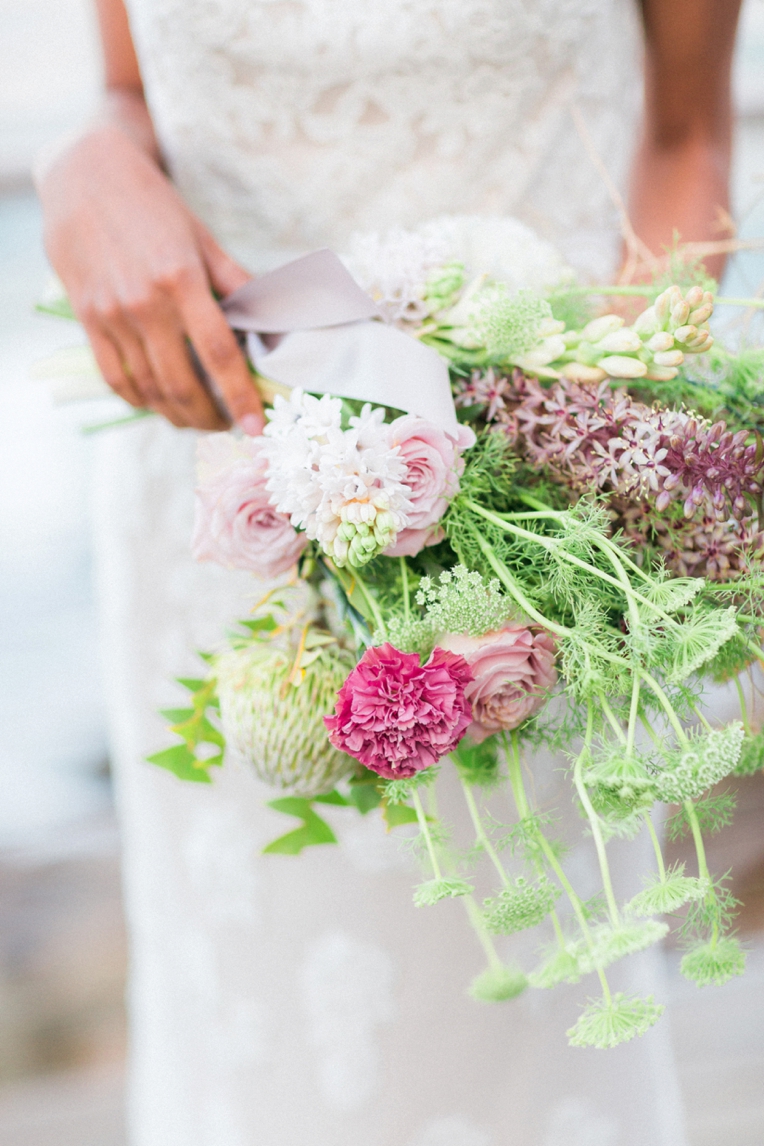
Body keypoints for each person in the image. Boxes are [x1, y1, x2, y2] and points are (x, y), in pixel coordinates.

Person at [36, 2, 743, 1144]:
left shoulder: (534, 523)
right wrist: (83, 162)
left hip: (521, 533)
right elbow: (129, 88)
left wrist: (596, 447)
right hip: (221, 505)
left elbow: (682, 141)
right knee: (246, 1027)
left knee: (515, 1021)